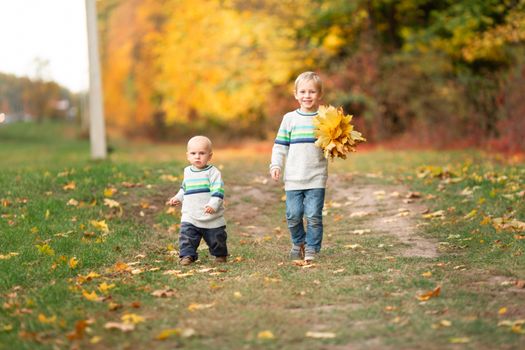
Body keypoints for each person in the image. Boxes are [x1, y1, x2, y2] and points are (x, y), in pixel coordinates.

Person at [270, 71, 328, 262]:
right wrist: (276, 165)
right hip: (294, 177)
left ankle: (311, 247)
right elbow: (280, 146)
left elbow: (334, 142)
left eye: (312, 92)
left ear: (319, 95)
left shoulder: (325, 118)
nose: (307, 96)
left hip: (316, 176)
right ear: (296, 94)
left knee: (313, 215)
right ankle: (298, 242)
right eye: (302, 91)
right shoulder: (289, 119)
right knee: (293, 215)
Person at [168, 136, 228, 265]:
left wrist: (213, 205)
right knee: (187, 236)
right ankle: (187, 256)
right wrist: (178, 197)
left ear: (210, 156)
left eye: (202, 153)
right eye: (193, 153)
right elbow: (184, 188)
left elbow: (218, 191)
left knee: (216, 238)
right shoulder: (187, 171)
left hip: (210, 214)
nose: (197, 157)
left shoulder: (213, 172)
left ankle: (220, 255)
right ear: (187, 156)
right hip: (190, 214)